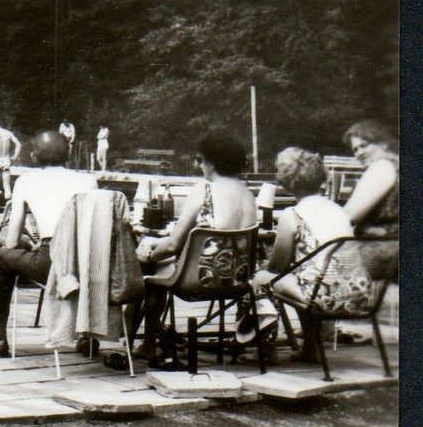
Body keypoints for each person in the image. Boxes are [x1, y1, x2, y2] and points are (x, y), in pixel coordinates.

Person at [131, 131, 259, 360]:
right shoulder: (248, 194)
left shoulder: (204, 190)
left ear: (211, 162)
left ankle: (148, 342)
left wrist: (149, 256)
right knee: (160, 258)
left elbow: (173, 245)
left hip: (198, 278)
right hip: (237, 280)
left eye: (200, 160)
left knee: (152, 276)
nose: (199, 166)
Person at [0, 129, 95, 356]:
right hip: (88, 264)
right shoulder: (89, 181)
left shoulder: (27, 181)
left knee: (1, 257)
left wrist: (26, 244)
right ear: (68, 154)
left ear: (33, 157)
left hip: (52, 264)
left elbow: (11, 241)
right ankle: (87, 337)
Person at [252, 147, 364, 361]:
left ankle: (263, 348)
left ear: (286, 181)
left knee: (263, 278)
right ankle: (312, 348)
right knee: (311, 276)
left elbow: (278, 267)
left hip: (326, 298)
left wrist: (264, 267)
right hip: (358, 295)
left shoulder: (292, 214)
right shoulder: (337, 210)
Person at [341, 119, 398, 282]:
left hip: (378, 253)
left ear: (384, 143)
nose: (359, 153)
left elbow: (349, 216)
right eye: (355, 149)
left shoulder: (382, 166)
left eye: (364, 145)